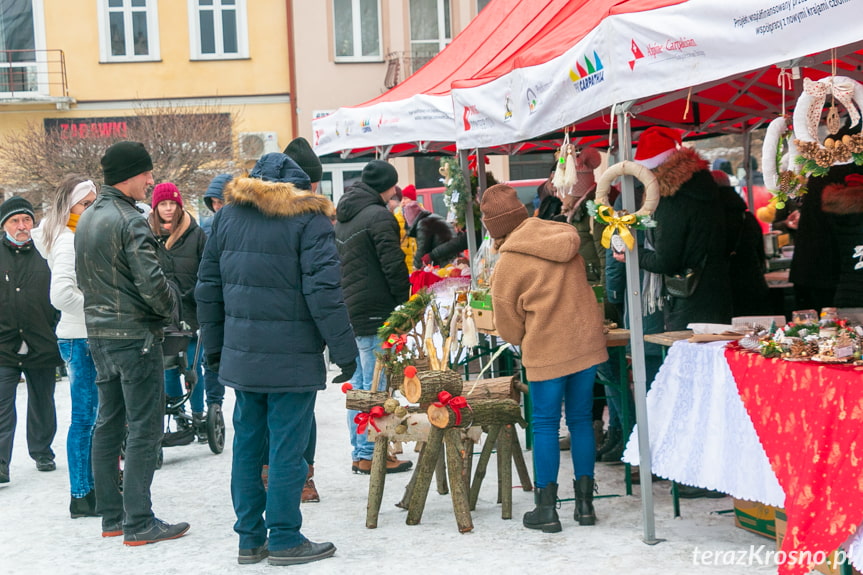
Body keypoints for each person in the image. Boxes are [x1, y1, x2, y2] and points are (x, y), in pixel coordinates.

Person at [197, 152, 357, 566]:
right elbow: (325, 292)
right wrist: (344, 350)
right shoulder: (309, 218)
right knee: (288, 447)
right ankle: (285, 537)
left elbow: (208, 289)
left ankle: (250, 539)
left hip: (243, 356)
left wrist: (213, 351)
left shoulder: (227, 218)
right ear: (300, 185)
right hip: (292, 357)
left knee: (248, 445)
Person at [75, 141, 189, 545]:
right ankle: (138, 521)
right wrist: (170, 312)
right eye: (147, 174)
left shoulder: (88, 218)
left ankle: (111, 516)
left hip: (100, 336)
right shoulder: (130, 220)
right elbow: (152, 285)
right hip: (135, 337)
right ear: (129, 175)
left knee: (107, 424)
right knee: (143, 427)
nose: (151, 180)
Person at [480, 184, 608, 532]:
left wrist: (525, 338)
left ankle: (546, 509)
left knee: (546, 425)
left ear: (495, 227)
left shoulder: (508, 263)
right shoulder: (563, 237)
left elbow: (508, 328)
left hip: (546, 351)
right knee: (581, 420)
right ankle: (585, 506)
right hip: (585, 345)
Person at [334, 159, 412, 475]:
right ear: (389, 186)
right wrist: (402, 307)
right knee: (376, 386)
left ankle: (361, 451)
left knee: (360, 385)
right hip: (377, 311)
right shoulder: (380, 216)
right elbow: (393, 266)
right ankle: (370, 453)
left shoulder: (344, 216)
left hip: (352, 309)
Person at [31, 176, 99, 516]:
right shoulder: (67, 241)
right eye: (85, 204)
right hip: (80, 336)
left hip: (80, 335)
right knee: (86, 418)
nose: (90, 210)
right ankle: (82, 494)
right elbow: (60, 295)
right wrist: (97, 308)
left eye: (93, 204)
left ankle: (88, 488)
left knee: (90, 417)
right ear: (69, 206)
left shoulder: (71, 236)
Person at [626, 126, 732, 331]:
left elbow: (665, 261)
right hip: (717, 291)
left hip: (689, 299)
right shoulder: (703, 185)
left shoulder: (671, 200)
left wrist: (632, 253)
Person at [0, 196, 62, 484]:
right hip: (4, 345)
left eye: (26, 220)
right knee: (3, 406)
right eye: (15, 221)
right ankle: (1, 463)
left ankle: (42, 451)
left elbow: (59, 293)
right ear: (4, 226)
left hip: (41, 341)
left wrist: (54, 328)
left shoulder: (45, 252)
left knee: (42, 401)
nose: (22, 226)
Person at [284, 136, 326, 503]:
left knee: (268, 419)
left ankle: (279, 477)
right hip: (296, 335)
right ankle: (300, 477)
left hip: (253, 340)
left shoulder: (241, 215)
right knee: (299, 414)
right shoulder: (310, 221)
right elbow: (324, 287)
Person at [148, 182, 208, 440]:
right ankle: (178, 413)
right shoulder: (147, 235)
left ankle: (199, 414)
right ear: (156, 208)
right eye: (163, 204)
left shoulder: (195, 234)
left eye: (173, 204)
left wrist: (196, 294)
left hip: (192, 312)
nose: (169, 209)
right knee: (168, 367)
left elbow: (207, 271)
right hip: (163, 315)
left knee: (193, 367)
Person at [713, 170, 770, 316]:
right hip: (753, 283)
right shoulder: (747, 216)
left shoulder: (711, 220)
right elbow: (760, 253)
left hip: (724, 287)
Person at [403, 200, 454, 270]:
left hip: (444, 259)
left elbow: (422, 248)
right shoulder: (431, 218)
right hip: (451, 254)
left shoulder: (423, 224)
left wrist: (416, 267)